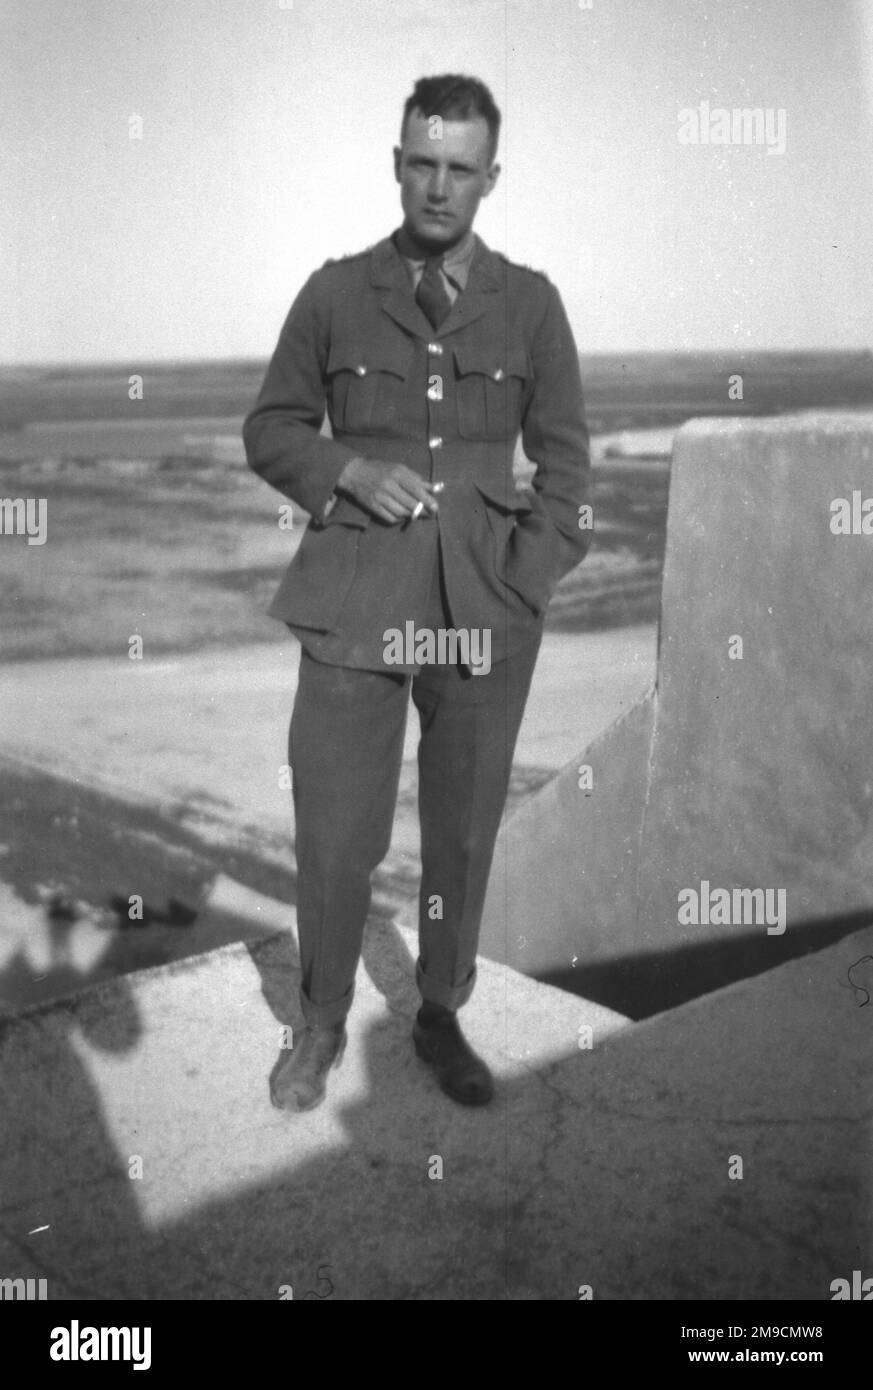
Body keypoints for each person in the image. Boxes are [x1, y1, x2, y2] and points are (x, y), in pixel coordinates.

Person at [243, 73, 591, 1111]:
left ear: (491, 176)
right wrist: (345, 471)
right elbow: (271, 429)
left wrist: (523, 585)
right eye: (422, 164)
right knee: (335, 826)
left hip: (483, 609)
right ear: (397, 164)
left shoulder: (530, 305)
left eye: (460, 169)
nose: (439, 187)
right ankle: (316, 1024)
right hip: (354, 600)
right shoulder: (336, 292)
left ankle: (439, 1012)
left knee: (463, 826)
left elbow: (568, 469)